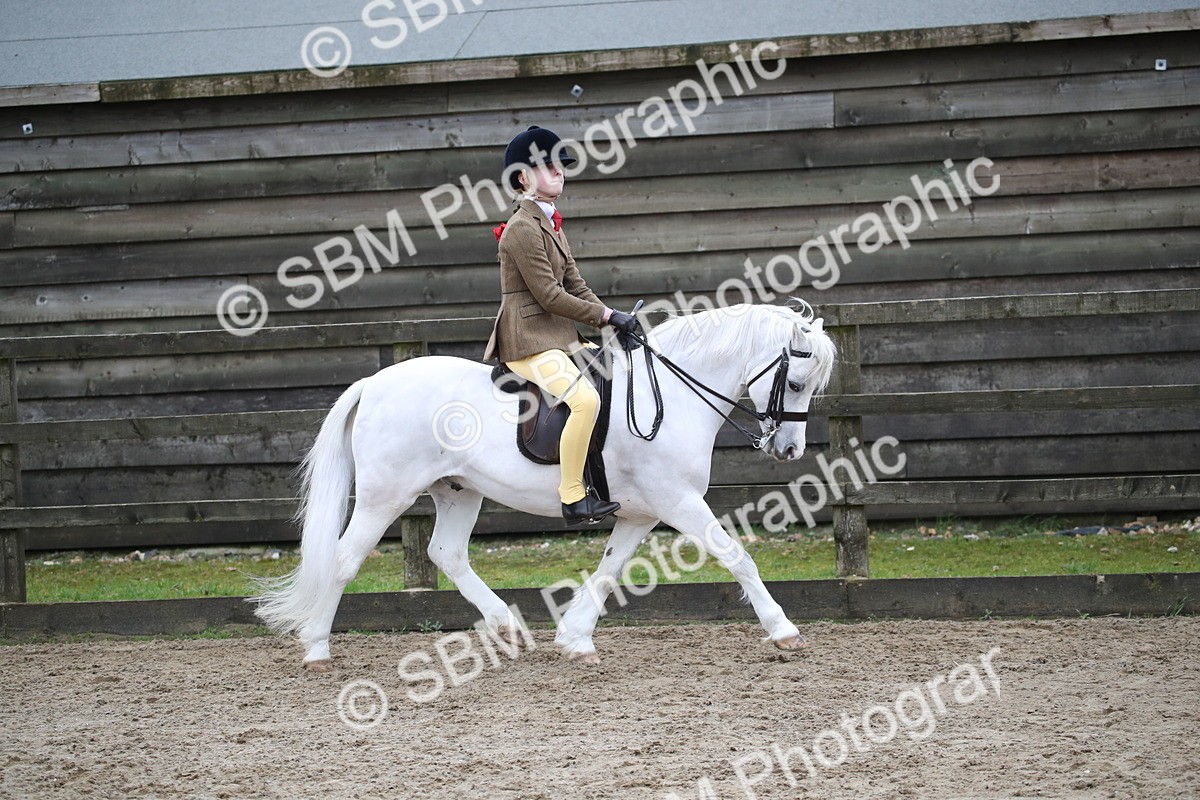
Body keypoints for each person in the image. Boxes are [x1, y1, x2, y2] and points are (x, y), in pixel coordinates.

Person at [483, 126, 639, 523]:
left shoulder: (551, 224)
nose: (560, 172)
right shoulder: (520, 229)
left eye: (561, 165)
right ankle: (572, 496)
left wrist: (612, 321)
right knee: (584, 400)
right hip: (527, 340)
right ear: (523, 177)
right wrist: (605, 317)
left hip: (558, 337)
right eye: (548, 165)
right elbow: (550, 295)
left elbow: (576, 285)